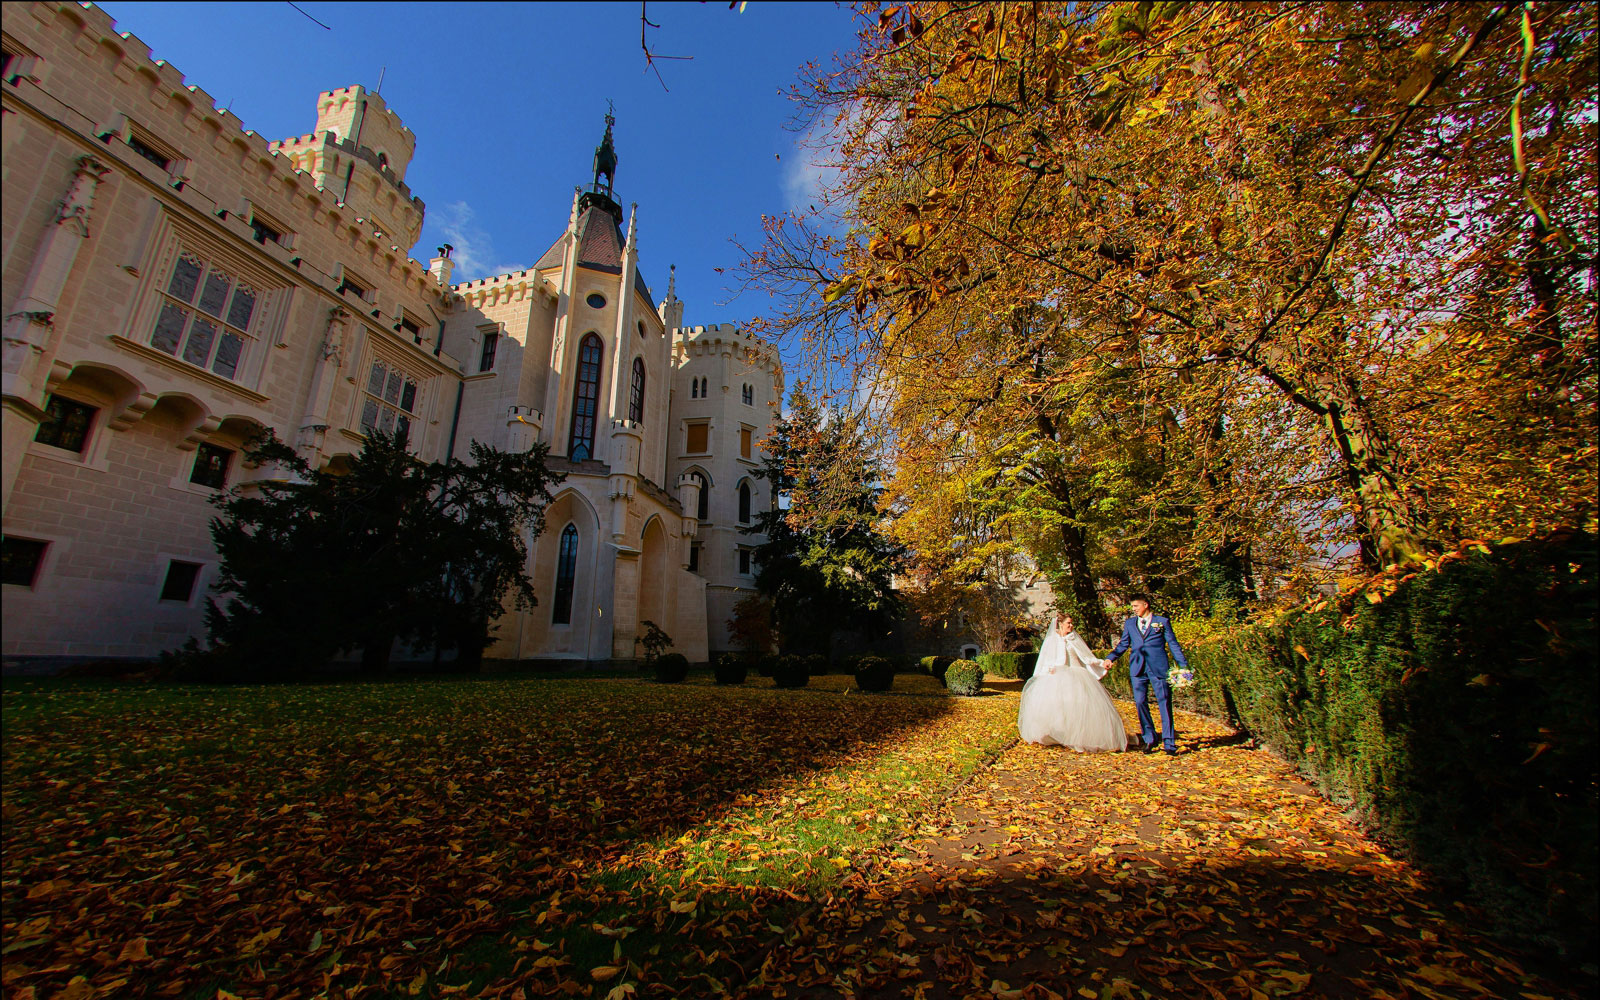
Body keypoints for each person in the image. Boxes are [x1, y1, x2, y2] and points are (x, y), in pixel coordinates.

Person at [1017, 613, 1127, 751]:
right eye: (1068, 623)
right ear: (1060, 624)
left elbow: (1087, 657)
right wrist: (1048, 669)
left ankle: (1079, 737)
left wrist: (1101, 663)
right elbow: (1045, 658)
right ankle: (1058, 735)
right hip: (1057, 676)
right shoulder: (1053, 639)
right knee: (1059, 707)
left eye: (1071, 623)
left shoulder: (1073, 638)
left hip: (1077, 675)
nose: (1071, 626)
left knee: (1080, 706)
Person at [1102, 594, 1188, 756]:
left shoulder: (1162, 622)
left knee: (1164, 703)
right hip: (1138, 668)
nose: (1133, 609)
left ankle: (1169, 742)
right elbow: (1124, 643)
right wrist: (1111, 657)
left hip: (1158, 668)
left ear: (1145, 605)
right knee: (1140, 702)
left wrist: (1183, 666)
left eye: (1136, 606)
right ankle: (1150, 738)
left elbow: (1173, 644)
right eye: (1133, 607)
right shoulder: (1130, 624)